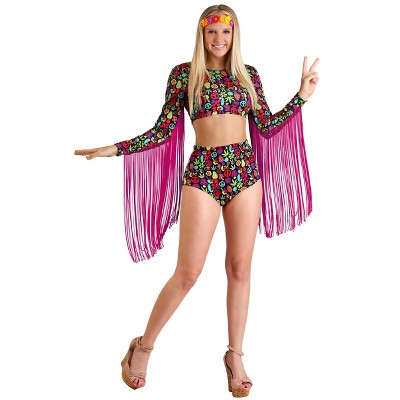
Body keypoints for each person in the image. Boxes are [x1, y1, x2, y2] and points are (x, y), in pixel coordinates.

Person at [75, 4, 319, 397]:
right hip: (203, 173)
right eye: (212, 33)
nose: (219, 39)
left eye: (226, 32)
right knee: (188, 272)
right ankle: (143, 346)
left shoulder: (248, 75)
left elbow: (267, 126)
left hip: (244, 173)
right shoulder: (184, 75)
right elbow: (161, 130)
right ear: (202, 35)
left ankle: (235, 356)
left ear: (234, 35)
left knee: (239, 268)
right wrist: (116, 149)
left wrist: (302, 96)